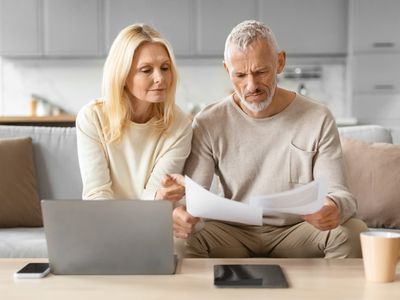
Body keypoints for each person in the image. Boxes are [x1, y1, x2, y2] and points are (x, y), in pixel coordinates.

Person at [172, 20, 367, 258]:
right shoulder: (208, 121)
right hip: (232, 232)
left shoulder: (318, 117)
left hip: (297, 230)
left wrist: (332, 207)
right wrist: (182, 214)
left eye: (261, 71)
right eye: (240, 75)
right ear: (227, 70)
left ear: (280, 62)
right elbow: (194, 198)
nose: (251, 85)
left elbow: (340, 194)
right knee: (180, 240)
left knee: (353, 232)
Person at [76, 24, 192, 201]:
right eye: (146, 70)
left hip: (151, 221)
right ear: (122, 76)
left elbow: (154, 194)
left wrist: (160, 196)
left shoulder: (179, 124)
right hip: (105, 220)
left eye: (165, 67)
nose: (160, 78)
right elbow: (97, 194)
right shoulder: (92, 118)